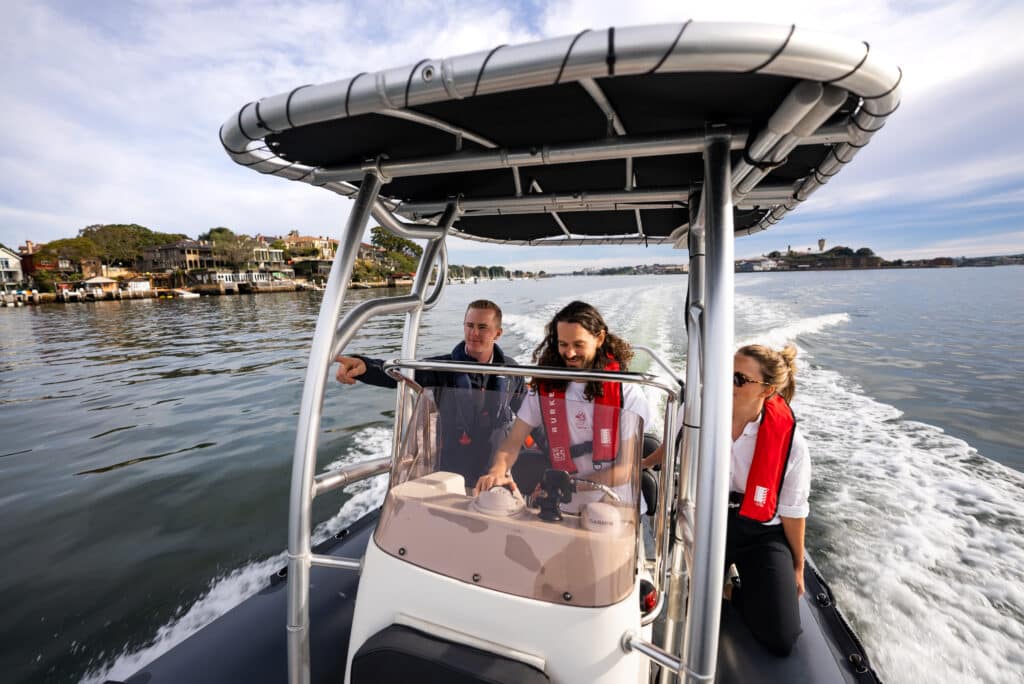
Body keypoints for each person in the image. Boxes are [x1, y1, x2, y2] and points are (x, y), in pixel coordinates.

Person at [474, 301, 658, 511]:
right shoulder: (544, 389)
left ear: (599, 339)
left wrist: (571, 485)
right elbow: (513, 442)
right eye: (563, 344)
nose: (569, 354)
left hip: (617, 505)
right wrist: (498, 470)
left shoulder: (627, 393)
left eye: (578, 345)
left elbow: (627, 469)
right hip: (564, 506)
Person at [335, 299, 524, 487]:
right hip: (450, 476)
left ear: (497, 333)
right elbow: (399, 373)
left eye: (482, 327)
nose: (474, 333)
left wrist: (552, 455)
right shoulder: (441, 368)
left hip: (495, 474)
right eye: (470, 325)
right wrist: (365, 367)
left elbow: (527, 414)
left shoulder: (512, 371)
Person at [725, 343, 810, 657]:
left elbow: (792, 509)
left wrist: (797, 566)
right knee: (697, 608)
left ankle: (734, 590)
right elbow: (672, 445)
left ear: (767, 390)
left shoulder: (792, 445)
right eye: (726, 373)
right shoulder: (701, 415)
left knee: (781, 637)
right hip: (710, 520)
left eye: (739, 379)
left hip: (761, 530)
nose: (727, 383)